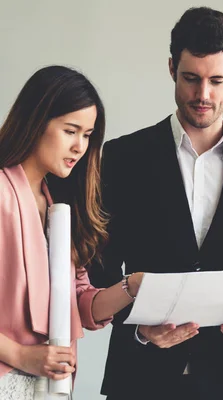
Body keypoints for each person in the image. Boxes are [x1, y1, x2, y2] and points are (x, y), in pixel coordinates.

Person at [88, 6, 223, 400]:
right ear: (170, 68)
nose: (203, 95)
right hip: (138, 378)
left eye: (217, 80)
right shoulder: (121, 158)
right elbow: (99, 267)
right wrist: (138, 327)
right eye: (191, 79)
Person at [0, 65, 144, 399]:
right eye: (70, 131)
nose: (80, 146)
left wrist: (134, 286)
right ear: (36, 122)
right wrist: (22, 355)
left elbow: (80, 302)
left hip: (48, 386)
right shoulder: (4, 195)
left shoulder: (59, 207)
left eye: (88, 134)